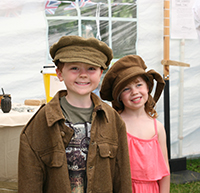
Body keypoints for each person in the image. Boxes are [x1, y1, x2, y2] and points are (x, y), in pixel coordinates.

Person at [18, 36, 132, 193]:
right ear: (59, 73)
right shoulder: (41, 122)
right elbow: (29, 182)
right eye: (74, 68)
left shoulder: (113, 120)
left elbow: (122, 176)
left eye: (91, 68)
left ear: (101, 74)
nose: (83, 74)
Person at [100, 55, 170, 193]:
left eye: (139, 85)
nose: (134, 92)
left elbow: (165, 171)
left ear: (148, 87)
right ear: (119, 96)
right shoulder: (115, 124)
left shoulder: (158, 128)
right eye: (126, 89)